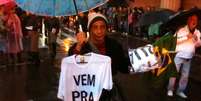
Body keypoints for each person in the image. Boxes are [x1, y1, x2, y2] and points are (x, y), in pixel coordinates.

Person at [68, 12, 130, 100]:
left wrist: (147, 61)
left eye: (102, 27)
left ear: (106, 29)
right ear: (89, 29)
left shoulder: (114, 45)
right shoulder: (83, 47)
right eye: (95, 27)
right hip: (89, 93)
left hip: (110, 93)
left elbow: (124, 66)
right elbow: (72, 67)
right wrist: (78, 46)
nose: (99, 31)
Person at [167, 14, 201, 98]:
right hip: (179, 55)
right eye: (192, 19)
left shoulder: (198, 32)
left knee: (185, 76)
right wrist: (186, 37)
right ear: (188, 20)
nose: (194, 21)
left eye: (196, 20)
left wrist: (196, 39)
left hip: (189, 57)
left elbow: (198, 45)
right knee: (174, 74)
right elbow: (175, 42)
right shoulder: (181, 30)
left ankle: (180, 91)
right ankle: (170, 89)